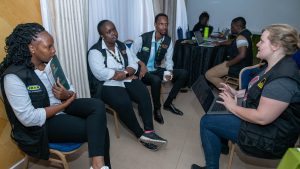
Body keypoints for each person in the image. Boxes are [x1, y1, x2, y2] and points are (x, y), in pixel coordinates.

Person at [0, 23, 110, 169]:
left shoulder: (50, 62)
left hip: (60, 107)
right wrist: (63, 105)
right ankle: (101, 166)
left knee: (97, 105)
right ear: (32, 48)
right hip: (40, 125)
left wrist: (66, 94)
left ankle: (98, 165)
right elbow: (28, 118)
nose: (54, 50)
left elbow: (70, 89)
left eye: (53, 45)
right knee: (100, 128)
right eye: (49, 47)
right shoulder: (13, 77)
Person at [192, 24, 300, 169]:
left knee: (207, 122)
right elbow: (257, 91)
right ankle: (221, 142)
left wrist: (233, 107)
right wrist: (237, 93)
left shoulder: (282, 82)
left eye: (262, 41)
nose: (257, 44)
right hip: (266, 125)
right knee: (217, 109)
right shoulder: (271, 66)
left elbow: (261, 117)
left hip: (271, 137)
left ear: (275, 46)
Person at [87, 20, 167, 151]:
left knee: (143, 93)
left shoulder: (121, 45)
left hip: (125, 77)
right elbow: (100, 73)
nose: (113, 33)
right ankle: (140, 135)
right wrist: (122, 72)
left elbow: (133, 63)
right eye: (108, 32)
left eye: (114, 29)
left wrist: (124, 72)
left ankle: (149, 131)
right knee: (123, 102)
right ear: (102, 36)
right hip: (106, 84)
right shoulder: (95, 52)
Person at [130, 13, 188, 124]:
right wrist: (141, 64)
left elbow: (169, 60)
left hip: (157, 70)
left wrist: (169, 72)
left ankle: (168, 103)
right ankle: (157, 109)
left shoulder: (168, 40)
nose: (164, 27)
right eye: (161, 24)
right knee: (155, 80)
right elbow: (130, 53)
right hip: (143, 72)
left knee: (183, 73)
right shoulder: (143, 38)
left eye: (166, 24)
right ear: (155, 24)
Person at [205, 17, 253, 89]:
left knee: (208, 74)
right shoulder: (246, 33)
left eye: (232, 26)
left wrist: (229, 64)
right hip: (245, 65)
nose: (231, 28)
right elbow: (233, 41)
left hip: (237, 67)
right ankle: (230, 87)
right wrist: (220, 43)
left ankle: (229, 92)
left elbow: (242, 55)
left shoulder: (241, 38)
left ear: (238, 26)